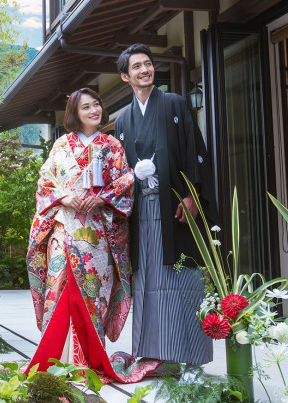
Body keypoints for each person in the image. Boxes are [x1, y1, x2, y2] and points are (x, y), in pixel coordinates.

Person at [25, 88, 160, 382]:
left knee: (94, 292)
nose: (94, 110)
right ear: (75, 113)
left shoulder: (111, 145)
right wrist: (64, 197)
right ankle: (57, 359)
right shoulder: (62, 145)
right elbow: (45, 183)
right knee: (60, 284)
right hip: (64, 227)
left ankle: (87, 358)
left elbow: (125, 181)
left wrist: (102, 199)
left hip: (98, 230)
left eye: (96, 105)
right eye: (86, 107)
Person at [113, 44, 218, 368]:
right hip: (141, 214)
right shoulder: (123, 120)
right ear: (125, 76)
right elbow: (117, 174)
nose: (145, 70)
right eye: (137, 67)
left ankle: (188, 355)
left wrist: (192, 196)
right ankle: (154, 352)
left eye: (148, 64)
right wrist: (131, 176)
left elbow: (193, 149)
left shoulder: (174, 103)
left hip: (175, 212)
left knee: (181, 280)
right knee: (148, 283)